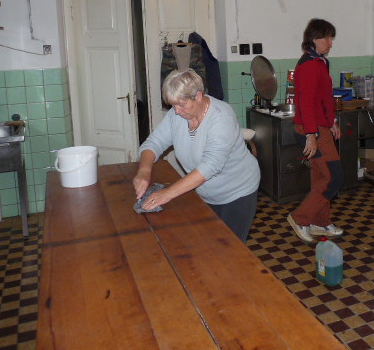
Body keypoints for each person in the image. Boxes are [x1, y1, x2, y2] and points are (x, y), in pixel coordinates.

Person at [133, 68, 261, 242]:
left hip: (237, 192)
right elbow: (154, 143)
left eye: (181, 105)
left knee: (230, 248)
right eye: (173, 105)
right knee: (206, 244)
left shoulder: (221, 117)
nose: (176, 111)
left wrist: (167, 194)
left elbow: (210, 167)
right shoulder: (177, 115)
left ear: (198, 96)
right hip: (206, 192)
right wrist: (144, 171)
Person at [287, 18, 344, 243]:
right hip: (311, 131)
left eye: (331, 38)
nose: (331, 42)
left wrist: (331, 121)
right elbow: (306, 103)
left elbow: (323, 99)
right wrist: (311, 134)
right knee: (333, 178)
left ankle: (320, 222)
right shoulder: (310, 65)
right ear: (314, 39)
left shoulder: (320, 62)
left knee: (321, 176)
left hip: (320, 128)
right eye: (327, 38)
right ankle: (300, 218)